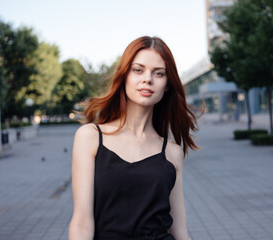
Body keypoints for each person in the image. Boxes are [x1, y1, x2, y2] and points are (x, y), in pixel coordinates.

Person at [69, 36, 200, 240]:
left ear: (167, 85)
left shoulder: (172, 152)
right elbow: (81, 222)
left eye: (159, 73)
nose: (148, 79)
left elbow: (180, 232)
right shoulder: (90, 138)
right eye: (138, 70)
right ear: (124, 76)